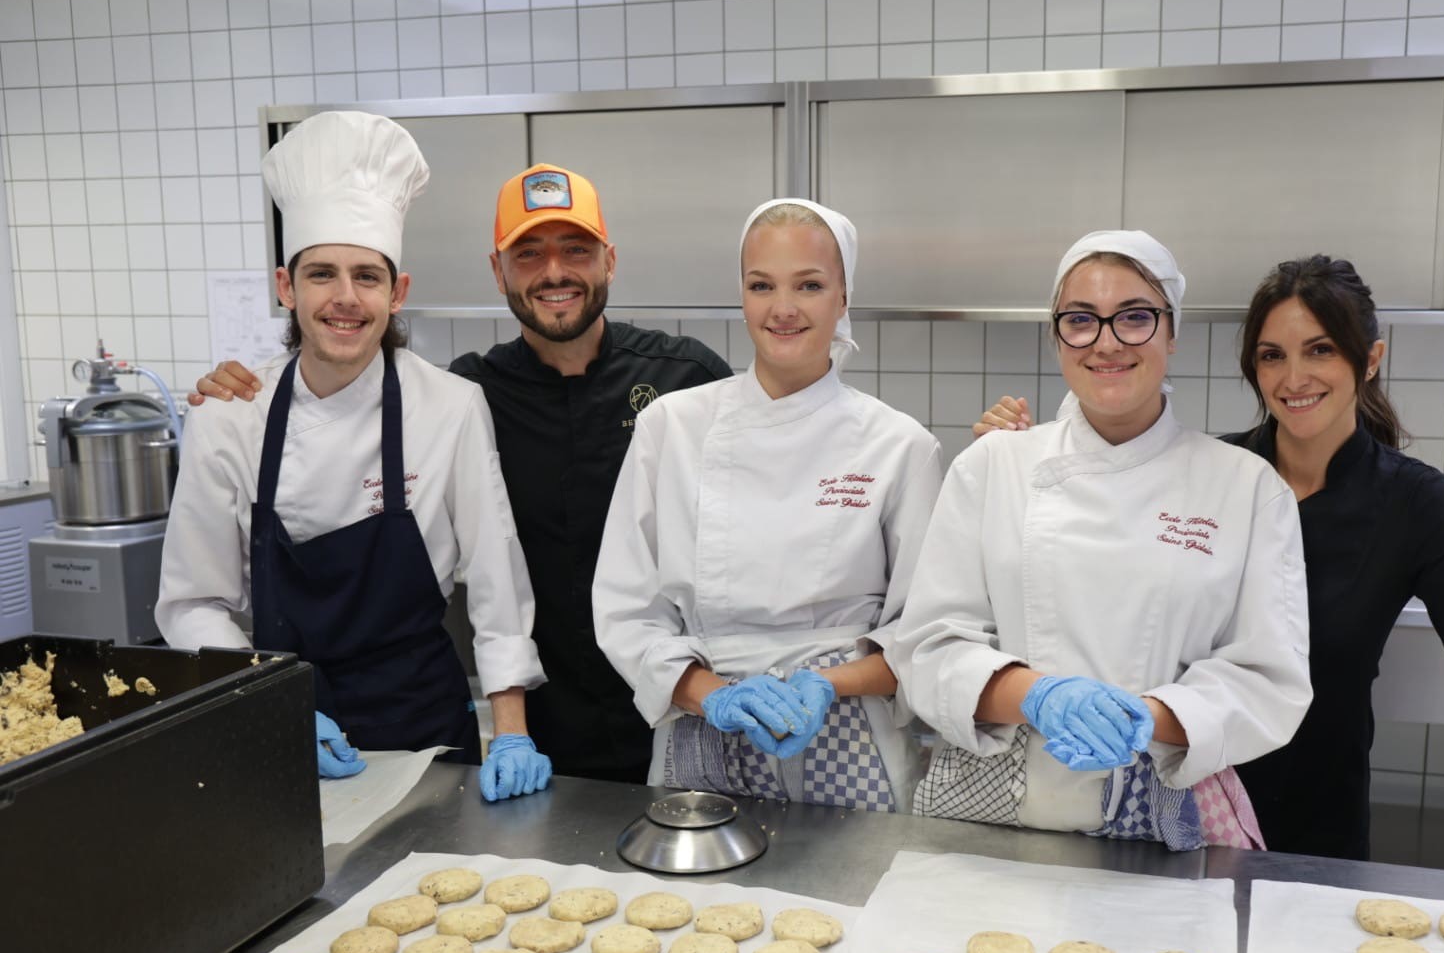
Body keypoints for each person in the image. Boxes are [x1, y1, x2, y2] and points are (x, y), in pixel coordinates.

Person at [976, 254, 1444, 875]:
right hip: (1171, 810)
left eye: (1321, 350)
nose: (1293, 378)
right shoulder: (1212, 479)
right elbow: (1090, 579)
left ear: (1370, 360)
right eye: (1271, 356)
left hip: (1316, 824)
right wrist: (1020, 466)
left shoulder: (1411, 502)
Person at [189, 163, 732, 785]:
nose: (554, 272)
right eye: (527, 254)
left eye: (576, 250)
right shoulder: (470, 392)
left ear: (609, 260)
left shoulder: (689, 379)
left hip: (678, 704)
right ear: (497, 272)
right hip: (546, 718)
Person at [157, 111, 550, 802]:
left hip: (426, 726)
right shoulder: (229, 419)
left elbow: (496, 582)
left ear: (397, 294)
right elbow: (193, 602)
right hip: (277, 722)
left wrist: (512, 729)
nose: (345, 298)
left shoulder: (450, 407)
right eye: (322, 275)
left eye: (367, 276)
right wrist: (263, 698)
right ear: (287, 288)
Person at [892, 230, 1311, 849]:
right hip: (996, 807)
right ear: (1057, 336)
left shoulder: (1246, 487)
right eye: (1081, 320)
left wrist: (1147, 719)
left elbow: (1268, 679)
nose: (1107, 342)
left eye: (1136, 318)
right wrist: (1042, 697)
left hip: (1166, 804)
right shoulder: (991, 466)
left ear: (1172, 333)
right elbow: (929, 646)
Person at [591, 199, 943, 810]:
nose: (783, 308)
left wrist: (823, 687)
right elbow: (626, 610)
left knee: (849, 897)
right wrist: (713, 695)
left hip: (849, 731)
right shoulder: (670, 427)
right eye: (762, 285)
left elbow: (922, 635)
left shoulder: (900, 446)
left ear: (843, 299)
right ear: (742, 295)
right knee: (696, 905)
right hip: (703, 722)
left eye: (809, 285)